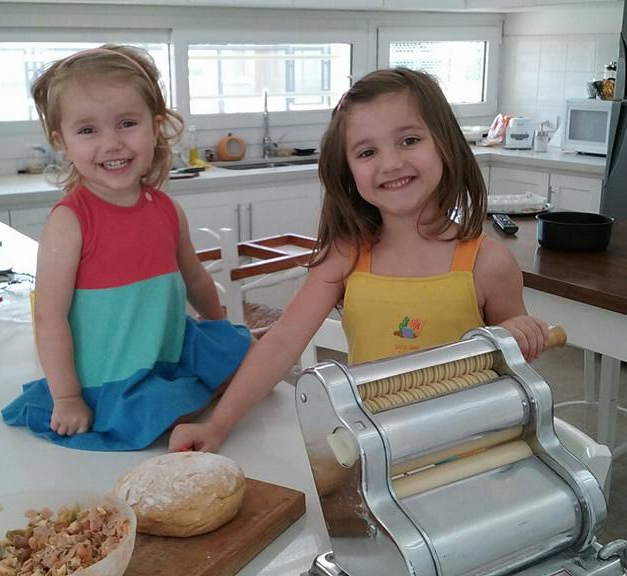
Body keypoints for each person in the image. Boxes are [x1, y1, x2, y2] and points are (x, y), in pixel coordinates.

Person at [169, 67, 549, 453]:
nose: (390, 163)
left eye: (409, 140)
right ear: (348, 171)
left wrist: (520, 334)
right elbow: (282, 343)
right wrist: (218, 424)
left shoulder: (487, 262)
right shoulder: (345, 256)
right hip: (375, 450)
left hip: (469, 452)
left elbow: (516, 367)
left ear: (445, 143)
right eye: (367, 152)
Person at [2, 45, 252, 451]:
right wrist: (67, 397)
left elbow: (195, 280)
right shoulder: (69, 222)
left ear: (155, 127)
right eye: (88, 131)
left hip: (166, 350)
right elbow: (49, 317)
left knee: (247, 354)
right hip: (113, 370)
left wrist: (217, 326)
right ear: (61, 140)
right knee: (158, 416)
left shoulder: (166, 209)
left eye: (127, 124)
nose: (112, 143)